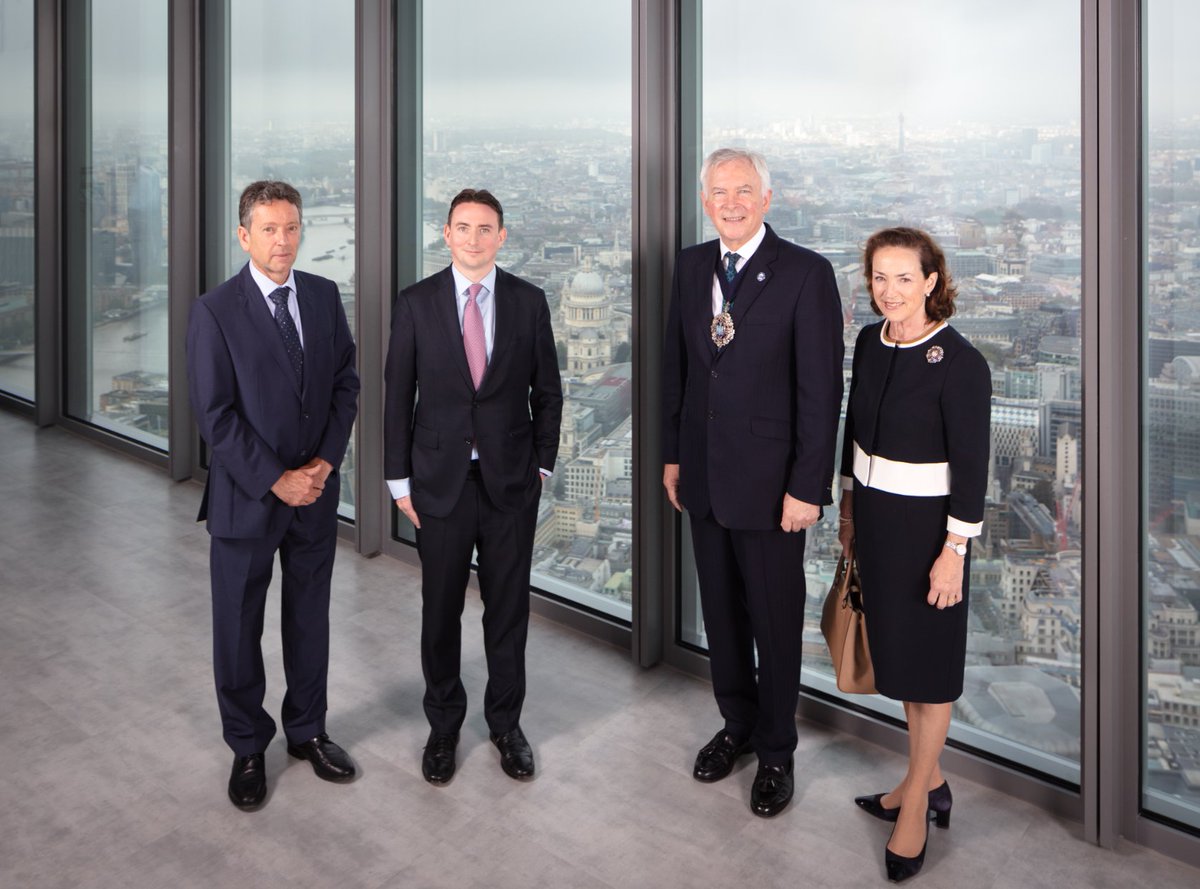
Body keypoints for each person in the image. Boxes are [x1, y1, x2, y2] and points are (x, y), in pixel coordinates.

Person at [662, 148, 844, 817]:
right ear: (705, 199)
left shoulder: (805, 273)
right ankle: (736, 724)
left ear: (768, 198)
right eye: (719, 191)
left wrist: (808, 487)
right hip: (704, 478)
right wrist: (673, 455)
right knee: (723, 617)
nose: (731, 202)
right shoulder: (689, 267)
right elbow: (678, 369)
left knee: (773, 619)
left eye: (744, 190)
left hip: (773, 489)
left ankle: (775, 751)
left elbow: (822, 393)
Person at [186, 180, 360, 811]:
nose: (282, 241)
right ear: (244, 235)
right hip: (247, 500)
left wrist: (321, 465)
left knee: (309, 618)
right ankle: (248, 745)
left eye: (290, 228)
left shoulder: (321, 294)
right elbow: (215, 415)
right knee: (238, 628)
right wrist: (275, 478)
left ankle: (307, 731)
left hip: (314, 493)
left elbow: (346, 382)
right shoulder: (214, 311)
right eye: (268, 230)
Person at [384, 188, 563, 785]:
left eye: (486, 228)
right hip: (438, 483)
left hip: (510, 480)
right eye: (464, 227)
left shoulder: (529, 301)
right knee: (440, 610)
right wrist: (396, 480)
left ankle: (506, 725)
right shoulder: (415, 303)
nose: (474, 238)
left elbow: (549, 393)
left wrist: (541, 467)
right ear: (446, 233)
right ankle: (443, 726)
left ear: (502, 236)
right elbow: (395, 397)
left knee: (508, 612)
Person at [837, 227, 990, 882]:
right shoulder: (870, 342)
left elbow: (972, 467)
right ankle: (926, 780)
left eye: (904, 277)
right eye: (879, 277)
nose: (890, 290)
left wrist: (954, 549)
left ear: (932, 281)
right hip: (875, 525)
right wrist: (846, 507)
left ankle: (916, 803)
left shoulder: (961, 363)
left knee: (929, 673)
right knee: (901, 663)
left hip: (931, 535)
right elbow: (855, 428)